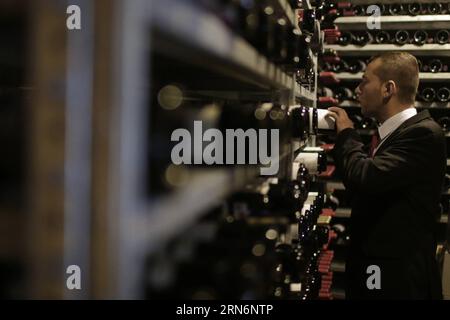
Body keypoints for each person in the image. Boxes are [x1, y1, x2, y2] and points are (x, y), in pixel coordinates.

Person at [327, 52, 445, 299]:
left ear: (387, 89)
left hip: (395, 281)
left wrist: (347, 134)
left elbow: (364, 177)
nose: (358, 90)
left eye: (364, 81)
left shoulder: (424, 134)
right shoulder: (394, 134)